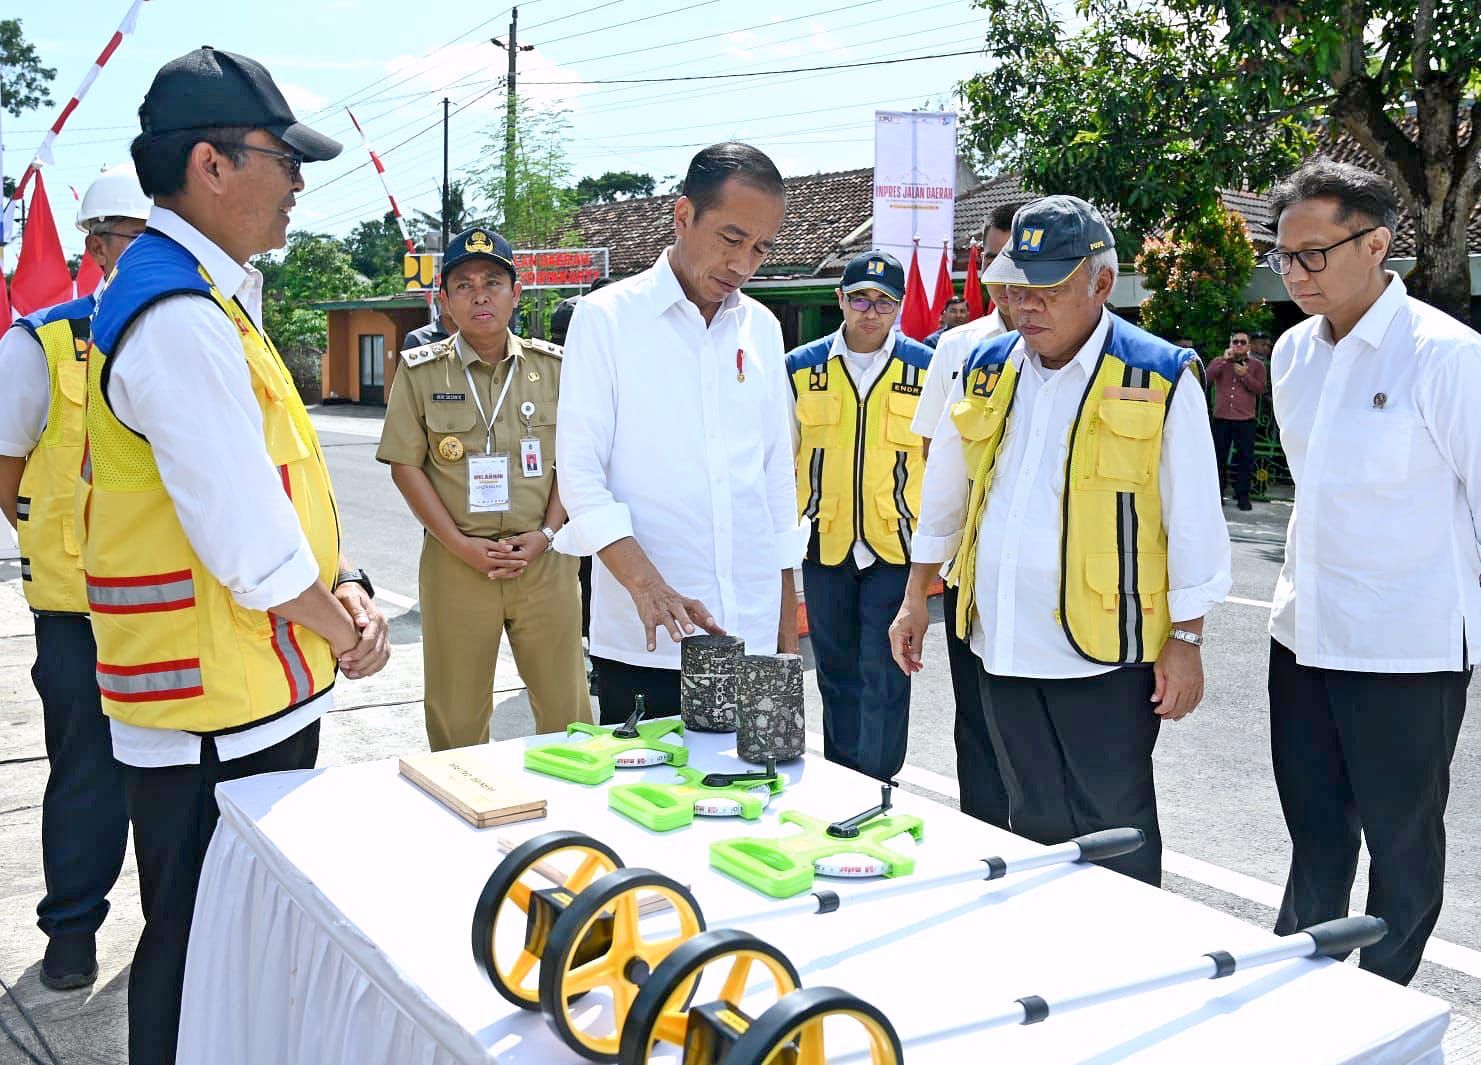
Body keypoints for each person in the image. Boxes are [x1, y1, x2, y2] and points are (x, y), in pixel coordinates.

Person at [86, 47, 389, 1063]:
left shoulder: (215, 298)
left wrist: (346, 585)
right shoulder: (176, 314)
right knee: (191, 951)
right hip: (210, 709)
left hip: (248, 684)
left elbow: (278, 497)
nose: (299, 183)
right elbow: (246, 539)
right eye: (283, 158)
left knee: (240, 947)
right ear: (213, 165)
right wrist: (339, 624)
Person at [890, 196, 1231, 886]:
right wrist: (910, 599)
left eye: (1045, 288)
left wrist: (1186, 640)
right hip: (1000, 641)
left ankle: (1124, 961)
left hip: (1106, 651)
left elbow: (1193, 521)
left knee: (1115, 819)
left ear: (1101, 284)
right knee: (1030, 816)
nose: (1025, 305)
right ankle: (1051, 956)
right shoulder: (984, 365)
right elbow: (947, 493)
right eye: (1014, 287)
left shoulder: (1156, 374)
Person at [1263, 159, 1480, 985]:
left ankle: (1379, 1001)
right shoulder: (1290, 354)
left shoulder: (1445, 355)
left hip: (1407, 648)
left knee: (1400, 844)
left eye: (1312, 253)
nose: (1294, 272)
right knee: (1314, 831)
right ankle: (1296, 986)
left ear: (1376, 244)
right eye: (1284, 254)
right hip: (1303, 634)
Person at [555, 142, 806, 723]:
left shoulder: (762, 330)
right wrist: (647, 586)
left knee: (751, 803)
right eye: (731, 238)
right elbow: (581, 478)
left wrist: (784, 622)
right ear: (684, 216)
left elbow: (774, 482)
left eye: (761, 248)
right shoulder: (606, 320)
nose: (743, 264)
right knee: (647, 807)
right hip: (649, 643)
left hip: (751, 636)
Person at [0, 166, 149, 991]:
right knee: (87, 774)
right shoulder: (41, 340)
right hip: (77, 605)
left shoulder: (196, 329)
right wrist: (46, 538)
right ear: (94, 248)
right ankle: (71, 929)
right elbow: (7, 459)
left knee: (173, 776)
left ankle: (173, 928)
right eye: (132, 236)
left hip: (172, 602)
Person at [377, 225, 589, 750]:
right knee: (456, 720)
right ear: (444, 300)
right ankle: (462, 819)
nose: (480, 295)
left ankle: (571, 822)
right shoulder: (420, 371)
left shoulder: (556, 368)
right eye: (464, 285)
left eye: (492, 282)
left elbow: (576, 462)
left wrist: (545, 532)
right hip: (458, 565)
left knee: (569, 714)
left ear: (516, 294)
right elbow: (406, 465)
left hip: (543, 560)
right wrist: (461, 546)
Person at [784, 251, 932, 781]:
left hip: (895, 545)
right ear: (840, 300)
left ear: (899, 306)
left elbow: (939, 465)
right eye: (861, 299)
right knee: (834, 666)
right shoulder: (801, 368)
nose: (871, 311)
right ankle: (844, 775)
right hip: (826, 541)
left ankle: (880, 778)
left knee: (887, 668)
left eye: (884, 301)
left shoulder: (927, 368)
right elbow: (784, 458)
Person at [908, 201, 1020, 825]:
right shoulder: (958, 348)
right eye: (998, 260)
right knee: (976, 717)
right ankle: (984, 836)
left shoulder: (1099, 346)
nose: (1010, 277)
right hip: (969, 568)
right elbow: (935, 456)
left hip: (1053, 574)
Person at [1206, 329, 1268, 510]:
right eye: (1236, 342)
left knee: (1245, 459)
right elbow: (1207, 379)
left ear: (1248, 346)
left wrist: (1244, 375)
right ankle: (1217, 494)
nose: (1239, 345)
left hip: (1245, 419)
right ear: (1230, 344)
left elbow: (1260, 389)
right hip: (1222, 418)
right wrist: (1224, 360)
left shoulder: (1257, 366)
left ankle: (1242, 496)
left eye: (1242, 342)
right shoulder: (1220, 362)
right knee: (1218, 458)